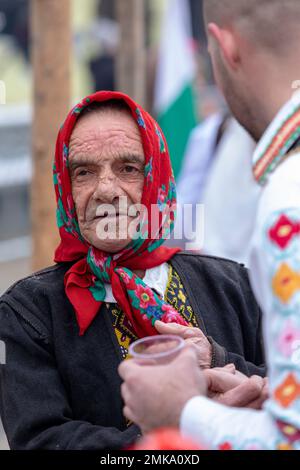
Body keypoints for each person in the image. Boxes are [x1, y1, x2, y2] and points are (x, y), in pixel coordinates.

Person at [0, 91, 264, 450]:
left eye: (128, 168)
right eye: (83, 172)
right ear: (65, 187)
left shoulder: (234, 285)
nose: (106, 190)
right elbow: (39, 440)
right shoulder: (28, 312)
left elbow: (288, 393)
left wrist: (218, 360)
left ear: (157, 178)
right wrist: (169, 436)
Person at [119, 0, 300, 450]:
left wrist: (181, 411)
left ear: (225, 47)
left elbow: (290, 439)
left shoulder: (288, 200)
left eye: (128, 167)